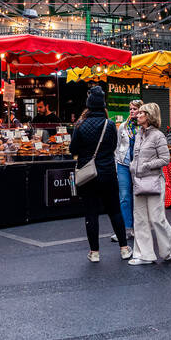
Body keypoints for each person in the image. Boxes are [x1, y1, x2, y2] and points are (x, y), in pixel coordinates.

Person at [69, 86, 131, 263]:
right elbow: (113, 147)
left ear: (88, 105)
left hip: (87, 175)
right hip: (107, 172)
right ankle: (124, 249)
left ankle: (94, 252)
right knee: (114, 211)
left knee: (91, 213)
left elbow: (73, 148)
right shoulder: (109, 124)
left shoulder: (80, 125)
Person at [129, 102, 171, 266]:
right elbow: (136, 157)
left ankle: (170, 242)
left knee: (156, 218)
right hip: (138, 181)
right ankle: (145, 255)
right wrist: (133, 167)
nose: (138, 115)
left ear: (149, 116)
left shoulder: (158, 136)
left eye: (141, 113)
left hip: (154, 181)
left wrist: (146, 165)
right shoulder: (138, 134)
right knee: (140, 218)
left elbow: (166, 159)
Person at [111, 99, 143, 242]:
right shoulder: (123, 126)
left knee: (138, 197)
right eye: (130, 108)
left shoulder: (144, 127)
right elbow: (117, 146)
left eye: (135, 108)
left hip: (139, 165)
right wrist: (117, 164)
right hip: (123, 164)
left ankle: (138, 228)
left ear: (141, 110)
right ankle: (125, 229)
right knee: (124, 197)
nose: (132, 111)